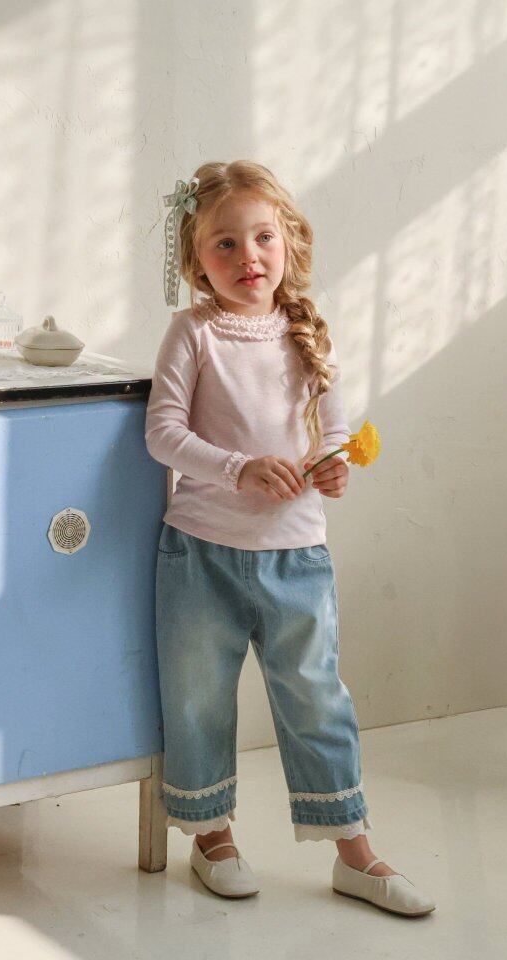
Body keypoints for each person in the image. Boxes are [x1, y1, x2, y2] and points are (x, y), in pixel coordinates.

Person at [144, 160, 435, 916]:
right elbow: (162, 435)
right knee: (199, 698)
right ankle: (213, 837)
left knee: (316, 699)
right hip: (199, 554)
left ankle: (355, 852)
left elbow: (330, 434)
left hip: (297, 556)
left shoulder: (308, 334)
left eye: (262, 238)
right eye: (225, 244)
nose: (248, 257)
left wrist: (334, 468)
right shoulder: (192, 334)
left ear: (289, 242)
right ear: (197, 259)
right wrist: (237, 469)